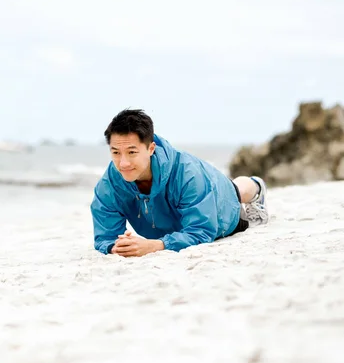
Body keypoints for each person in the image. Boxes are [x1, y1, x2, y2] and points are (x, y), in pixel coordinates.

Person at [91, 109, 269, 257]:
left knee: (236, 191)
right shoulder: (109, 185)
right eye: (115, 152)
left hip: (221, 211)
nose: (123, 163)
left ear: (151, 148)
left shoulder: (188, 174)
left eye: (131, 152)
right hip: (182, 212)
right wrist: (115, 247)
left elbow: (201, 231)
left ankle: (257, 186)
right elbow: (105, 237)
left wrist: (155, 245)